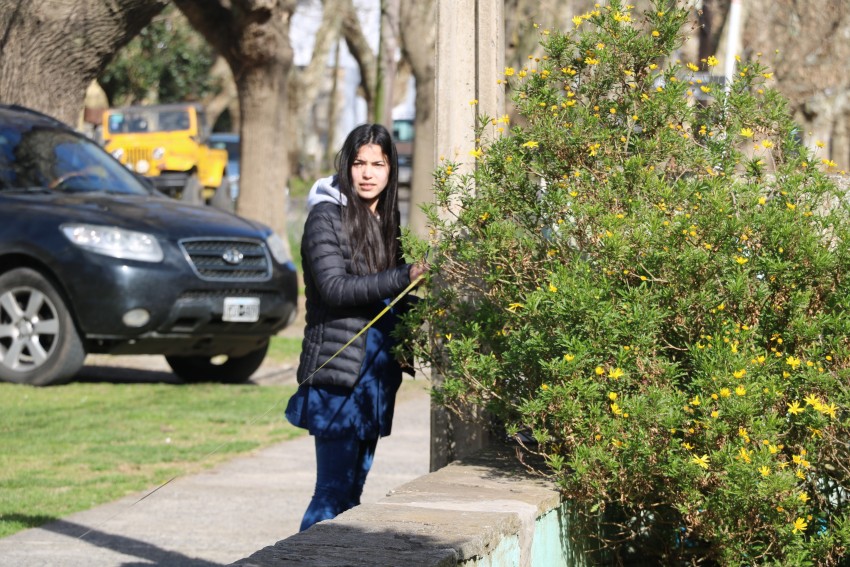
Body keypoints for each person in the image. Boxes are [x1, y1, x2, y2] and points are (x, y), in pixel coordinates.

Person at [285, 123, 427, 532]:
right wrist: (406, 275)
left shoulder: (385, 220)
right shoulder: (324, 218)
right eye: (359, 163)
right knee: (330, 495)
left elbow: (386, 297)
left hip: (375, 380)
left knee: (351, 499)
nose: (367, 173)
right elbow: (334, 289)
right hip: (337, 377)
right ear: (346, 166)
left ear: (390, 170)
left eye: (377, 164)